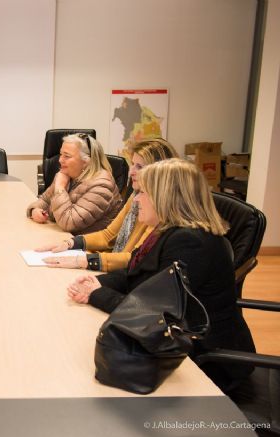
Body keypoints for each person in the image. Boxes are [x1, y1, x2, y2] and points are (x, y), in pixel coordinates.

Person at [66, 158, 255, 391]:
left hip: (206, 362)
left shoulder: (191, 242)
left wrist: (96, 294)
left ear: (164, 197)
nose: (136, 200)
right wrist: (96, 281)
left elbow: (152, 314)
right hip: (176, 344)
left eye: (143, 193)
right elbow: (136, 274)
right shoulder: (168, 231)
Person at [38, 138, 178, 272]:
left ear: (160, 172)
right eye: (132, 164)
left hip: (123, 270)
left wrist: (86, 260)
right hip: (114, 262)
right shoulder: (136, 195)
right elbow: (108, 235)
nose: (131, 172)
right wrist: (70, 243)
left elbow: (137, 258)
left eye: (139, 166)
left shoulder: (160, 208)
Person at [27, 134, 122, 234]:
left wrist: (60, 188)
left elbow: (69, 223)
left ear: (86, 162)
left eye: (67, 156)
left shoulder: (102, 186)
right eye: (61, 154)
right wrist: (34, 210)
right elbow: (44, 200)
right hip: (62, 237)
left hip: (89, 247)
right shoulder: (67, 174)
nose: (60, 160)